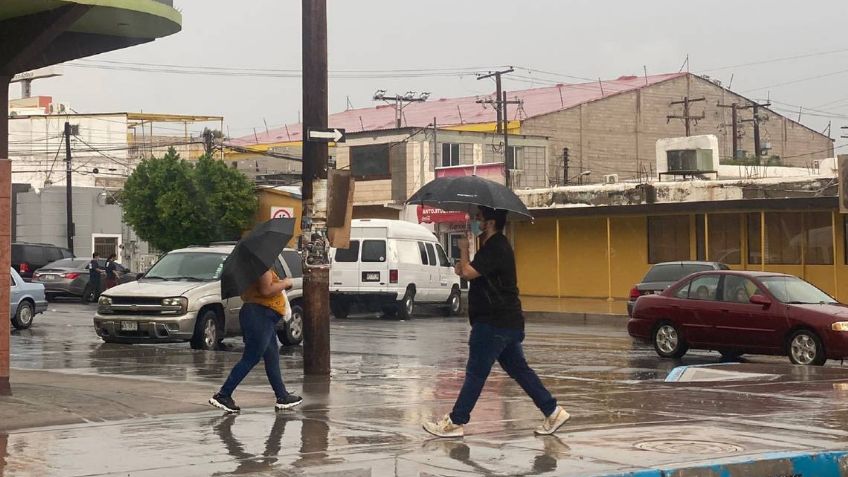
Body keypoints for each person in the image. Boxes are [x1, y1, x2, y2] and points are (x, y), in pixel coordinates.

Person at [423, 206, 570, 438]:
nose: (475, 221)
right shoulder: (492, 247)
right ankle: (552, 411)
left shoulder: (496, 247)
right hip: (507, 322)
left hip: (493, 323)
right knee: (520, 371)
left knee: (475, 373)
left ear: (490, 222)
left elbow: (469, 273)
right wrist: (464, 260)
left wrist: (463, 249)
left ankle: (455, 421)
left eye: (479, 218)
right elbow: (467, 271)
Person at [209, 265, 302, 413]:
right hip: (260, 316)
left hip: (262, 316)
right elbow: (267, 290)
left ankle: (282, 396)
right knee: (251, 358)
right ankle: (223, 395)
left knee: (272, 357)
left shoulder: (252, 266)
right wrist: (285, 283)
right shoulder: (260, 265)